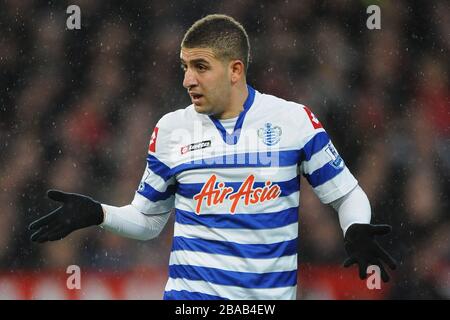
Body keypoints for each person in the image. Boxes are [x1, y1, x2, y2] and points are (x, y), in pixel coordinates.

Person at [28, 14, 396, 300]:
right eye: (185, 67)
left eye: (200, 67)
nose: (188, 79)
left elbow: (346, 193)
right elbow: (148, 220)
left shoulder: (293, 121)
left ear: (235, 69)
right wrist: (99, 213)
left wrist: (356, 227)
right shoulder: (171, 129)